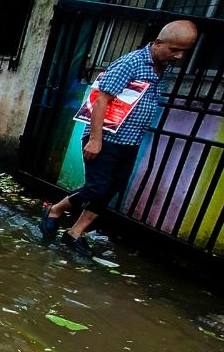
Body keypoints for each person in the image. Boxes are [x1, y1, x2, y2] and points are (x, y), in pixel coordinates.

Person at [39, 20, 198, 255]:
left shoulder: (163, 68)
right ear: (157, 43)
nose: (178, 56)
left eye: (183, 51)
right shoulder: (131, 63)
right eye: (174, 50)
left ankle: (75, 233)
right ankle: (55, 210)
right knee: (97, 187)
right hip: (106, 139)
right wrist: (95, 139)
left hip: (130, 142)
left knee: (112, 188)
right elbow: (100, 99)